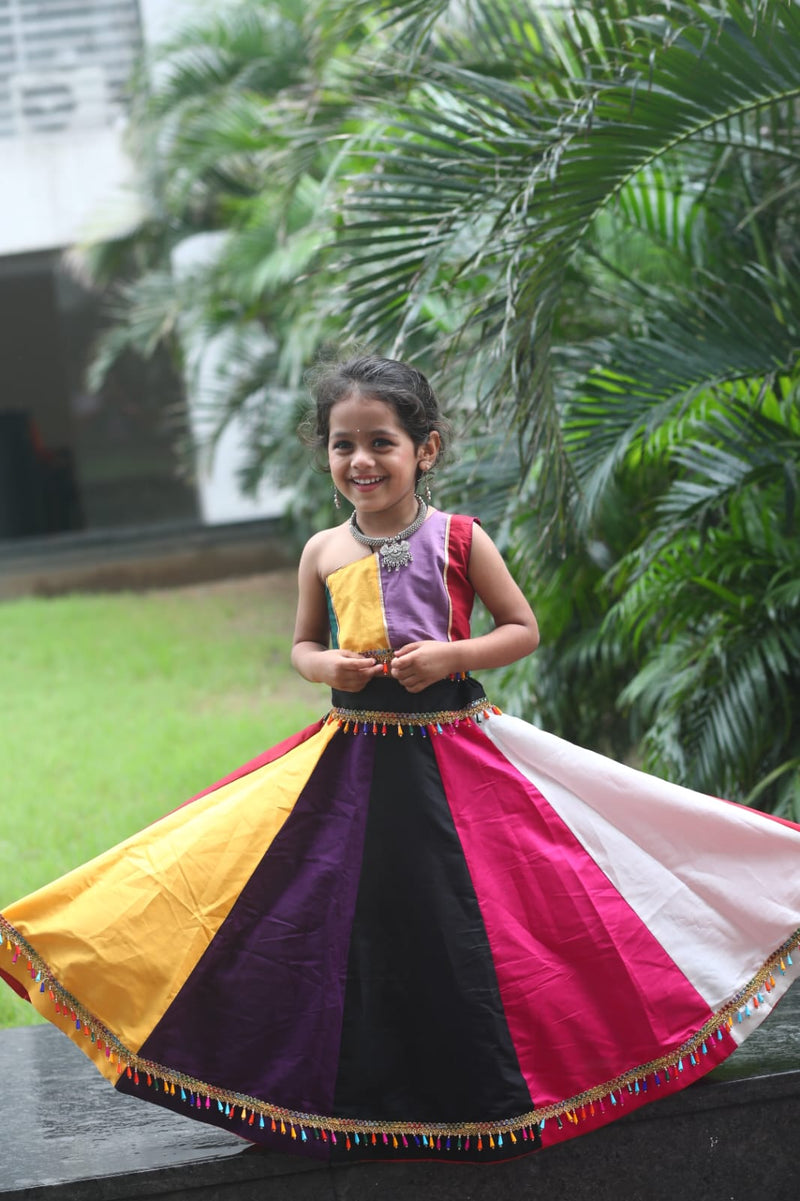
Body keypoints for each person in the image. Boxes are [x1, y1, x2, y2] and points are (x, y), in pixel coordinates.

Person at [1, 354, 799, 1165]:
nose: (361, 460)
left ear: (427, 448)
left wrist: (452, 656)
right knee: (334, 916)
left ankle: (493, 1075)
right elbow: (304, 646)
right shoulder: (321, 550)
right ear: (325, 456)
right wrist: (329, 668)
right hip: (351, 764)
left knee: (498, 912)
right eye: (343, 444)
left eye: (381, 441)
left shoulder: (461, 537)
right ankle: (362, 1088)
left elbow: (520, 628)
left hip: (458, 751)